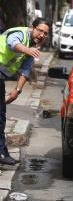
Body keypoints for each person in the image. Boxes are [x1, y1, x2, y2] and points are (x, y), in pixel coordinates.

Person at [0, 17, 50, 165]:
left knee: (1, 116)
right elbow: (12, 44)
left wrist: (17, 90)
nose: (42, 35)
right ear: (32, 28)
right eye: (39, 30)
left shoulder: (32, 47)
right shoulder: (20, 34)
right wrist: (28, 50)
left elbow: (25, 70)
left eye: (45, 33)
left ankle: (2, 152)